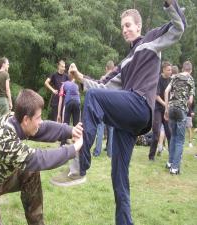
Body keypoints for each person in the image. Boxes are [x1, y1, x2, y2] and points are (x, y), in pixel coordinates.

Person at [51, 1, 186, 224]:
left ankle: (80, 165)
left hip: (140, 105)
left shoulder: (151, 41)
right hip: (129, 122)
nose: (125, 30)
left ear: (139, 27)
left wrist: (169, 3)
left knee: (94, 99)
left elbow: (178, 27)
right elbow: (103, 87)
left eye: (128, 25)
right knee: (118, 177)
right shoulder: (125, 63)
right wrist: (80, 78)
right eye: (122, 26)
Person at [0, 89, 83, 225]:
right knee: (32, 165)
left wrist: (70, 131)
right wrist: (74, 149)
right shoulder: (4, 139)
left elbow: (43, 129)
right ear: (26, 119)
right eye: (38, 118)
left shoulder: (15, 119)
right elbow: (38, 159)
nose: (40, 121)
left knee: (30, 172)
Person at [164, 61, 195, 174]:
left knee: (173, 137)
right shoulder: (191, 79)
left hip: (171, 109)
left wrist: (167, 108)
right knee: (180, 140)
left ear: (182, 68)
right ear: (190, 70)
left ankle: (170, 162)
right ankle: (175, 168)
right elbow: (191, 100)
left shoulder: (175, 76)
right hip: (181, 110)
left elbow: (166, 91)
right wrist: (186, 105)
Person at [148, 61, 172, 160]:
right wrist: (166, 104)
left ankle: (172, 156)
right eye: (168, 70)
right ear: (163, 70)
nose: (170, 71)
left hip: (167, 110)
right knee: (156, 132)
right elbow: (156, 96)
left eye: (171, 70)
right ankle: (151, 156)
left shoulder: (171, 80)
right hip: (158, 109)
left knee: (169, 133)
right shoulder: (158, 79)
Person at [93, 60, 115, 158]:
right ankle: (110, 153)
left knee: (100, 129)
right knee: (111, 130)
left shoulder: (103, 78)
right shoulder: (115, 79)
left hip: (102, 107)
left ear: (106, 68)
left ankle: (97, 152)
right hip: (112, 108)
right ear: (113, 68)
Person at [57, 72, 81, 145]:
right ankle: (77, 143)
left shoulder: (63, 84)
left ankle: (63, 143)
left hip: (69, 102)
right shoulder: (76, 85)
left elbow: (60, 100)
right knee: (76, 124)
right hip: (77, 102)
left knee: (65, 123)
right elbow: (78, 96)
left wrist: (59, 114)